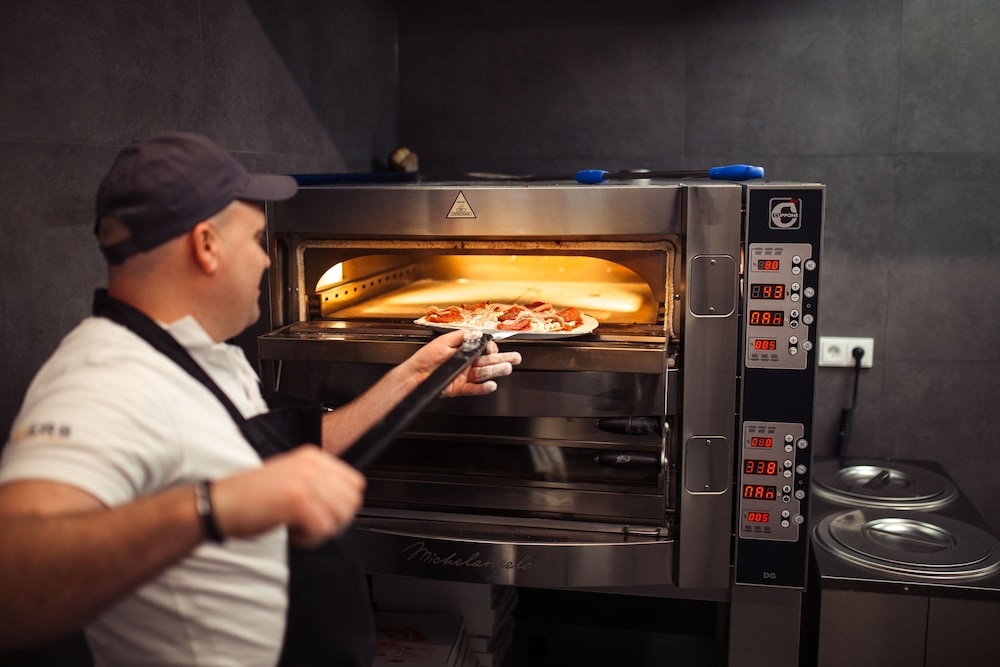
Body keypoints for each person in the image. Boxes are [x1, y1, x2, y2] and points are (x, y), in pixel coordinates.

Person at [0, 132, 522, 666]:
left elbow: (274, 464)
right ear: (206, 245)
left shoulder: (197, 353)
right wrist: (215, 506)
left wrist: (413, 379)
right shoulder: (103, 378)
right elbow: (14, 581)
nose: (266, 261)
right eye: (254, 239)